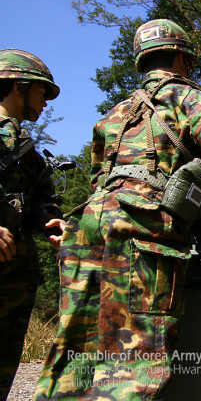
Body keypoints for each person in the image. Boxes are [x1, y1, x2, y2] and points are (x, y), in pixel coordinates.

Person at [34, 19, 201, 400]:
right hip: (141, 231)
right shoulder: (185, 97)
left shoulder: (115, 113)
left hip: (89, 228)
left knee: (78, 349)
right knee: (134, 364)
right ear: (181, 57)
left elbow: (101, 176)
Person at [0, 49, 65, 401]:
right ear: (18, 86)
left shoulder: (26, 148)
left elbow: (42, 201)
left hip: (14, 287)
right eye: (41, 92)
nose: (44, 103)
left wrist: (53, 223)